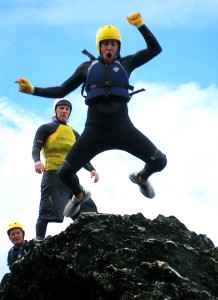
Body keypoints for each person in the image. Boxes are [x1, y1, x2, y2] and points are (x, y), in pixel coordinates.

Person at [15, 12, 167, 217]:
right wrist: (33, 89)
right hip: (95, 131)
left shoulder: (127, 63)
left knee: (159, 161)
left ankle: (141, 178)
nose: (110, 47)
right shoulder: (86, 68)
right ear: (99, 47)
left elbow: (155, 49)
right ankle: (78, 195)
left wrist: (140, 25)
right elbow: (61, 90)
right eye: (105, 44)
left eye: (114, 44)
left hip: (123, 127)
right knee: (64, 173)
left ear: (118, 47)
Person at [32, 98, 99, 239]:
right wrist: (37, 161)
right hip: (52, 175)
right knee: (46, 211)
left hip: (70, 178)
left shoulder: (74, 133)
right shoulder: (46, 128)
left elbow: (82, 154)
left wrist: (92, 169)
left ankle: (92, 239)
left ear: (69, 113)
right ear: (55, 110)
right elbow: (36, 147)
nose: (64, 111)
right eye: (61, 108)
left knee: (89, 210)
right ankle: (39, 242)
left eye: (67, 109)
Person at [0, 222, 29, 289]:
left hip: (30, 276)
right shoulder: (11, 252)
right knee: (6, 276)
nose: (16, 236)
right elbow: (11, 268)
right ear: (10, 237)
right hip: (18, 279)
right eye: (12, 234)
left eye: (18, 233)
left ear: (23, 234)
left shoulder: (31, 246)